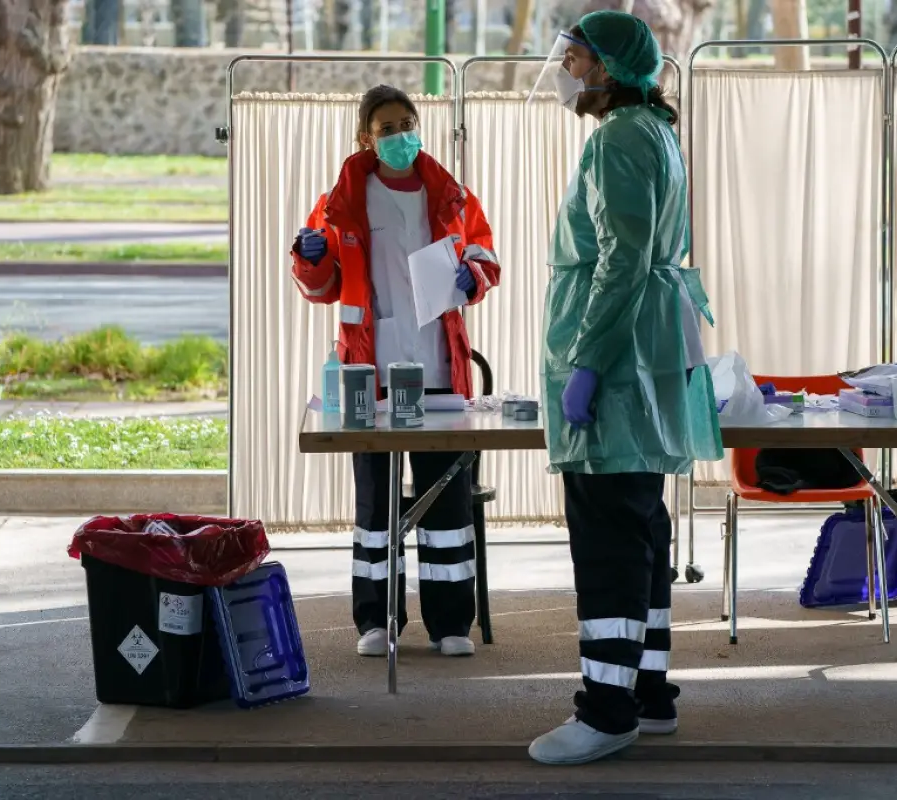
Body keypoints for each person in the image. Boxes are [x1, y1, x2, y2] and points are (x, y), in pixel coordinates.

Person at [529, 11, 722, 766]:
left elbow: (620, 261)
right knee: (642, 527)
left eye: (577, 60)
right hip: (647, 355)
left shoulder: (617, 140)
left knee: (608, 533)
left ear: (609, 69)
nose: (569, 73)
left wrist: (586, 361)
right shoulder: (655, 133)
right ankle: (649, 693)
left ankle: (606, 711)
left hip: (617, 360)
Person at [290, 85, 501, 659]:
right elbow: (322, 284)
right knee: (375, 503)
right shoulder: (343, 200)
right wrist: (309, 257)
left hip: (438, 364)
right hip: (371, 372)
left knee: (446, 502)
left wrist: (472, 277)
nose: (401, 134)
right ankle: (375, 619)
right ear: (366, 137)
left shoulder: (450, 195)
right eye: (387, 127)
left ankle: (451, 623)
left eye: (408, 122)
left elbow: (484, 254)